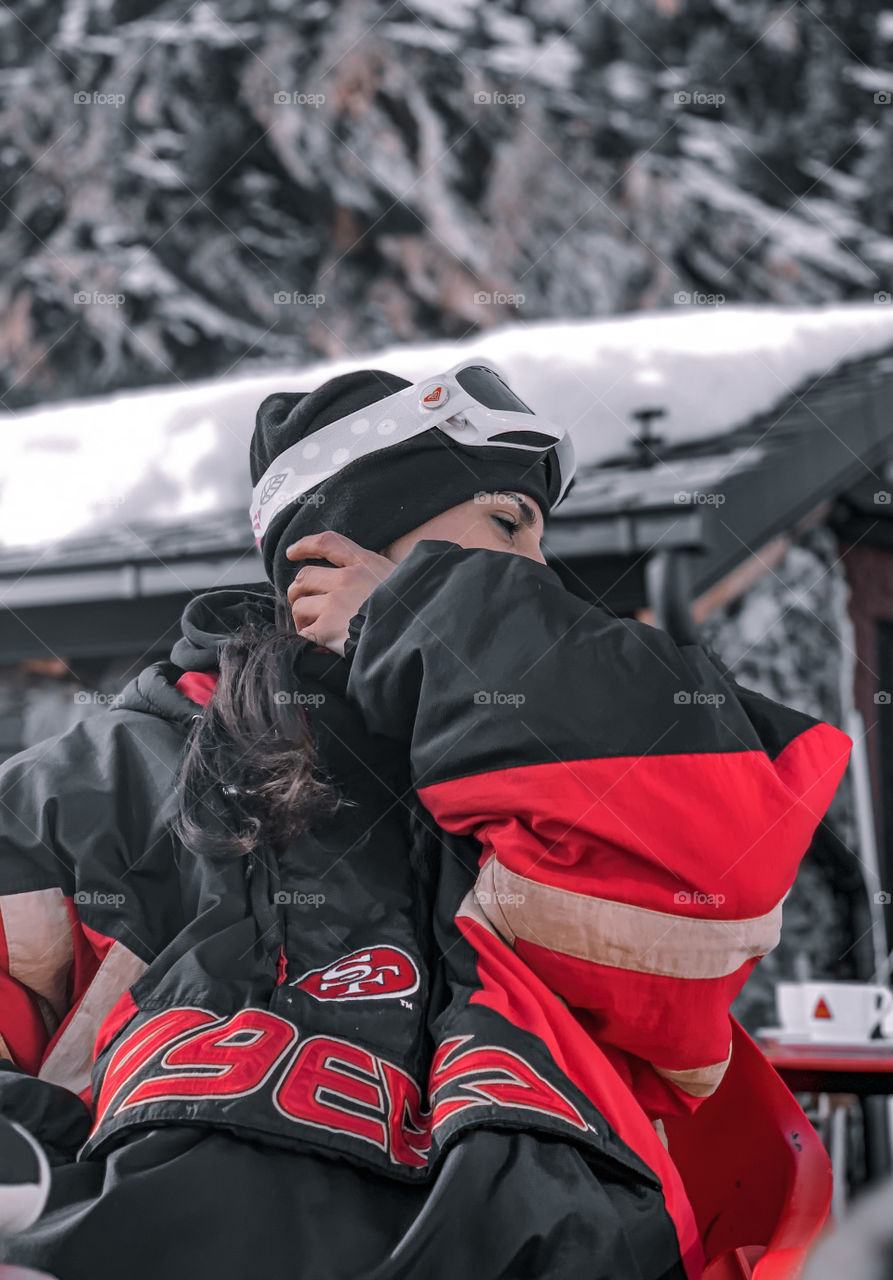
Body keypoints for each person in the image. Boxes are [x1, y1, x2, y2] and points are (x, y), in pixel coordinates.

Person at [0, 360, 853, 1280]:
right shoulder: (100, 782)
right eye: (505, 523)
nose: (534, 571)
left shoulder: (526, 788)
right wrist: (61, 1209)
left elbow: (706, 859)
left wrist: (428, 618)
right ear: (342, 535)